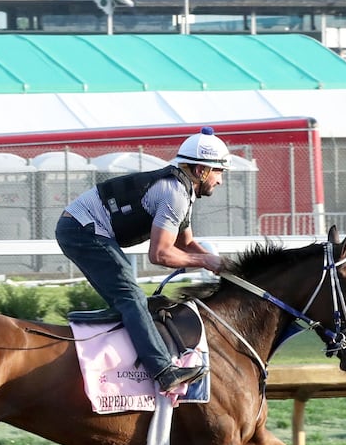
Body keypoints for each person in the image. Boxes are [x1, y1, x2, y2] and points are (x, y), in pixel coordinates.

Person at [56, 127, 228, 393]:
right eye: (218, 171)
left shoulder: (183, 192)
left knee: (129, 297)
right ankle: (163, 371)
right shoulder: (174, 193)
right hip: (82, 229)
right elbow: (160, 254)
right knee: (132, 297)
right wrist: (206, 262)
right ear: (200, 170)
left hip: (88, 227)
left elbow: (186, 244)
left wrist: (225, 266)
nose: (220, 180)